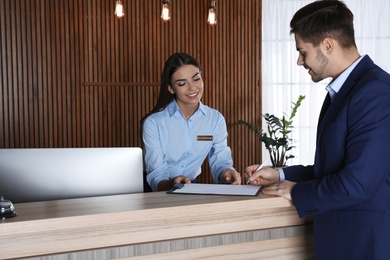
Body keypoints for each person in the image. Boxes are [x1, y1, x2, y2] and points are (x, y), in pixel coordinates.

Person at [245, 1, 390, 259]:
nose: (299, 61)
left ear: (327, 46)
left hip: (364, 246)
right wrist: (279, 175)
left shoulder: (375, 91)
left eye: (303, 52)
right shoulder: (342, 90)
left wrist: (294, 190)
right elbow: (331, 169)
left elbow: (356, 183)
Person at [142, 52, 241, 192]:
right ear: (171, 88)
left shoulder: (215, 119)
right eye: (182, 83)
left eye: (196, 79)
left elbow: (220, 161)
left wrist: (226, 173)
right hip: (156, 190)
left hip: (189, 187)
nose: (192, 87)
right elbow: (156, 175)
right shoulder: (153, 123)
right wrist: (172, 183)